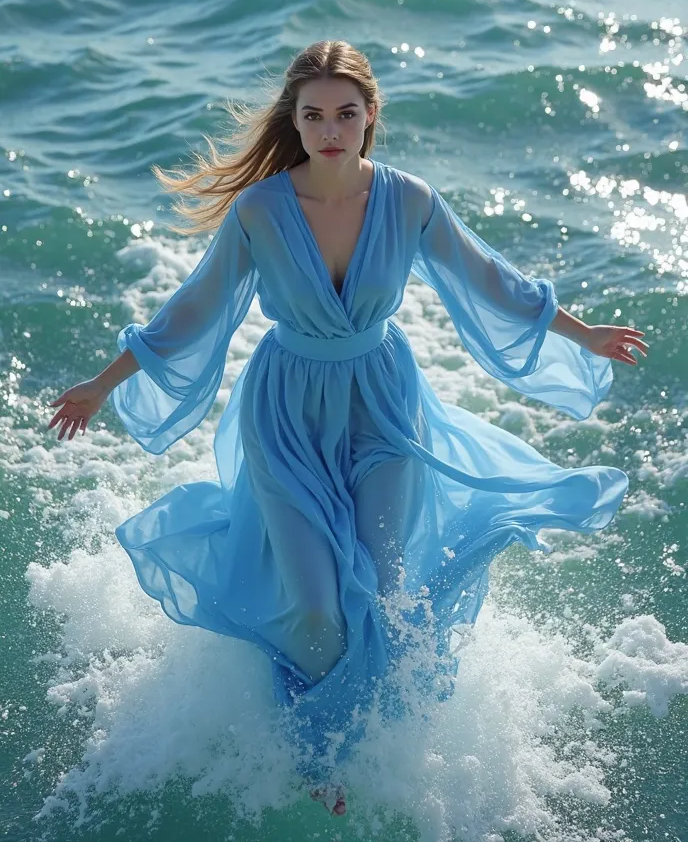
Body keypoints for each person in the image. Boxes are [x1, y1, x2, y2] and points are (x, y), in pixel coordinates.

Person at [47, 40, 647, 817]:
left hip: (381, 404)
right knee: (318, 605)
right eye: (313, 115)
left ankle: (366, 735)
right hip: (287, 415)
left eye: (346, 114)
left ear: (370, 117)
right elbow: (193, 311)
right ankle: (309, 735)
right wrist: (102, 383)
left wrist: (582, 333)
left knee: (387, 585)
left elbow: (488, 278)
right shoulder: (260, 211)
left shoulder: (409, 201)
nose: (330, 129)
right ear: (294, 122)